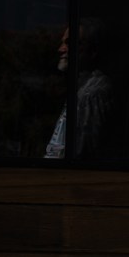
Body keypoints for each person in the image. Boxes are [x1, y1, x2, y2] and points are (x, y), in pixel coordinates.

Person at [44, 17, 115, 159]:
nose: (61, 49)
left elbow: (81, 154)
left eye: (70, 43)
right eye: (62, 43)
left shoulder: (92, 94)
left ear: (93, 51)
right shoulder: (81, 91)